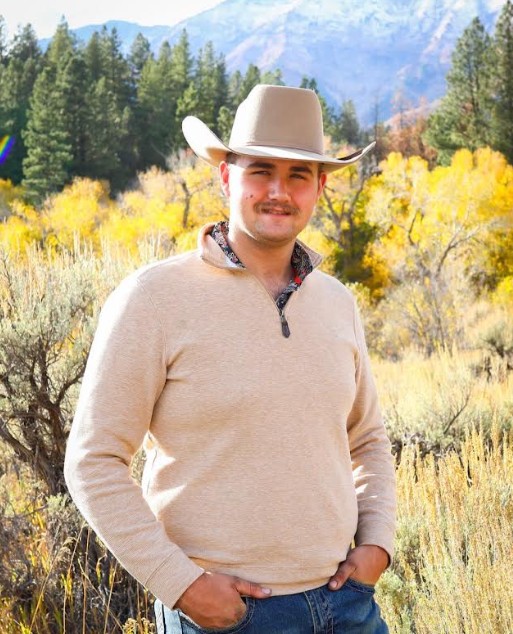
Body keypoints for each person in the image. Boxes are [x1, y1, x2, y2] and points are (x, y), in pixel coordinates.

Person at [64, 84, 396, 634]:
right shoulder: (153, 298)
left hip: (348, 607)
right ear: (225, 176)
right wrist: (182, 586)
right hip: (225, 617)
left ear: (320, 187)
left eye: (298, 175)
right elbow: (93, 460)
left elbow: (368, 441)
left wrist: (377, 544)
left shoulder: (338, 302)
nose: (278, 192)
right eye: (260, 171)